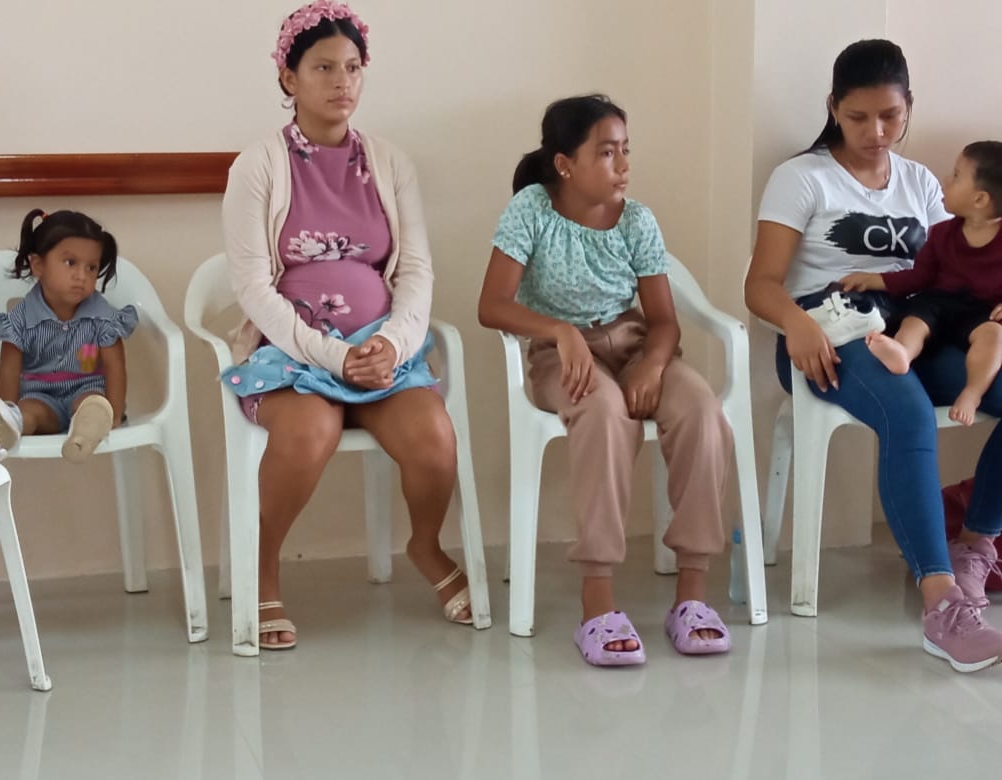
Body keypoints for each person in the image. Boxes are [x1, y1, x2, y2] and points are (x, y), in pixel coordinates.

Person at [745, 39, 1002, 673]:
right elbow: (760, 284)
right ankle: (942, 607)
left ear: (909, 105)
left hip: (914, 325)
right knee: (907, 412)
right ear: (833, 107)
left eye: (891, 116)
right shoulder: (801, 177)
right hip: (826, 332)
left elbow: (952, 272)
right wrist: (797, 324)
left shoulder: (920, 182)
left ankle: (976, 544)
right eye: (858, 117)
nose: (876, 132)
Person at [222, 0, 472, 650]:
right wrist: (333, 357)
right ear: (289, 77)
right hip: (294, 353)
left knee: (434, 438)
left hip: (382, 352)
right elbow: (252, 287)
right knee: (312, 432)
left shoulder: (390, 162)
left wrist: (390, 343)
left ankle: (425, 545)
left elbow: (415, 270)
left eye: (354, 67)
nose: (343, 82)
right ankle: (262, 566)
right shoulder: (257, 166)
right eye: (324, 67)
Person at [478, 94, 733, 666]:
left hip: (637, 346)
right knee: (603, 412)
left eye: (625, 150)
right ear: (565, 163)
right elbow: (492, 305)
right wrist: (560, 332)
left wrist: (653, 365)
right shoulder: (531, 209)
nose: (623, 165)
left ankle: (692, 597)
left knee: (701, 411)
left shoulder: (637, 220)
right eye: (607, 152)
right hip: (561, 355)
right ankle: (597, 604)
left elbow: (663, 321)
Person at [841, 141, 1002, 425]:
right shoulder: (941, 233)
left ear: (980, 200)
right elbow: (919, 277)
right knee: (914, 322)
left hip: (981, 312)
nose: (945, 180)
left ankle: (972, 392)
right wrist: (874, 280)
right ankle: (902, 353)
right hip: (937, 302)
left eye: (956, 176)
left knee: (994, 337)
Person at [0, 209, 137, 464]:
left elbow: (115, 365)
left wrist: (116, 414)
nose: (81, 276)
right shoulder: (21, 319)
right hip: (40, 397)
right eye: (70, 263)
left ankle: (87, 433)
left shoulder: (102, 318)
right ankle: (8, 424)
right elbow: (10, 369)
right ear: (38, 265)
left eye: (91, 267)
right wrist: (9, 404)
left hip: (87, 390)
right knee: (28, 412)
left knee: (93, 405)